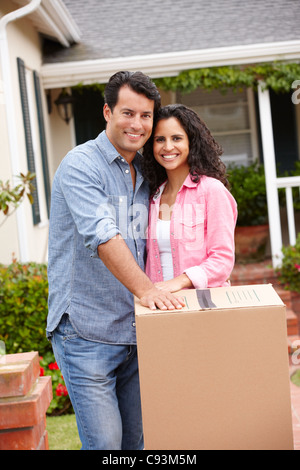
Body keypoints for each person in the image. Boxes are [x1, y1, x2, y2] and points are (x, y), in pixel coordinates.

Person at [46, 72, 185, 451]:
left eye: (146, 116)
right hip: (86, 332)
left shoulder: (145, 170)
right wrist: (148, 290)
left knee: (135, 445)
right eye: (128, 113)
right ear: (107, 111)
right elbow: (104, 236)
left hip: (134, 331)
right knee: (106, 446)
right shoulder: (80, 166)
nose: (137, 124)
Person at [142, 104, 238, 291]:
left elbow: (222, 259)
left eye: (176, 138)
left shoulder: (212, 191)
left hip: (200, 307)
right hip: (160, 306)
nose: (168, 147)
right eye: (160, 139)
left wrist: (179, 282)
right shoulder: (153, 197)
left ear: (191, 143)